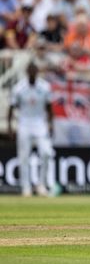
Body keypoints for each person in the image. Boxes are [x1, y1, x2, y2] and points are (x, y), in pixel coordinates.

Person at [8, 63, 54, 197]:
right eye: (31, 71)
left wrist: (51, 125)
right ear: (27, 72)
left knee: (46, 153)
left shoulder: (45, 87)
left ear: (37, 72)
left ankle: (41, 185)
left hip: (40, 124)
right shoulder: (19, 88)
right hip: (24, 124)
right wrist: (11, 127)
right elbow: (11, 107)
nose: (33, 73)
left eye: (35, 71)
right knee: (24, 157)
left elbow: (49, 107)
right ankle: (26, 187)